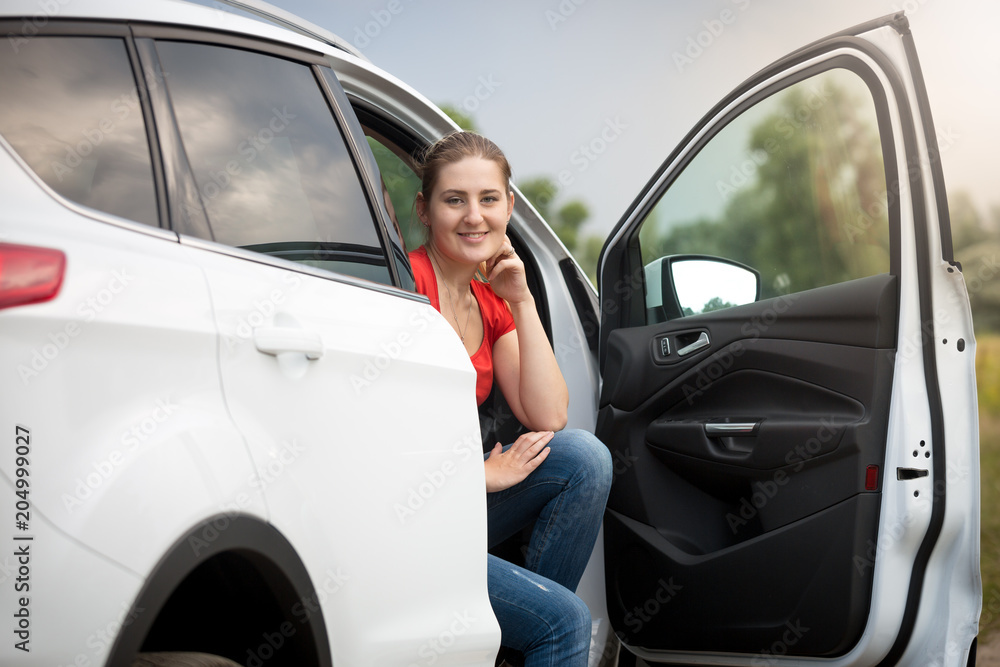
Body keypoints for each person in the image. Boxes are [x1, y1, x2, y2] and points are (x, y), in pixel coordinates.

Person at [410, 131, 613, 667]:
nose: (474, 216)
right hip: (407, 512)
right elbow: (382, 437)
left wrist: (520, 298)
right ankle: (540, 636)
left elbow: (549, 416)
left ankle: (522, 641)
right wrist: (472, 476)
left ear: (509, 207)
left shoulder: (490, 299)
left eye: (488, 199)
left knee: (583, 458)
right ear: (425, 210)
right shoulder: (405, 284)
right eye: (454, 199)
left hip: (457, 506)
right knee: (565, 620)